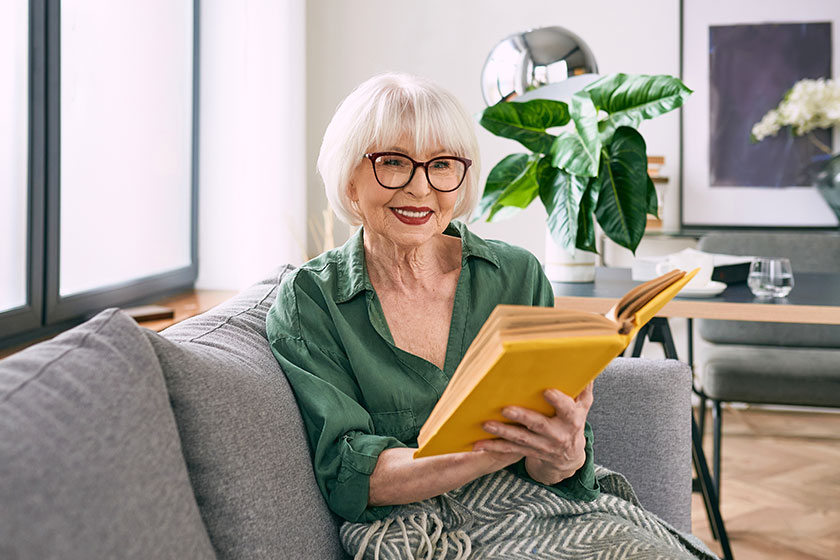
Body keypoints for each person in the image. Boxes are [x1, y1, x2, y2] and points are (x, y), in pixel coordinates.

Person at [266, 73, 717, 559]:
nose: (421, 188)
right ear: (348, 175)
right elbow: (351, 475)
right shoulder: (311, 299)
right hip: (412, 523)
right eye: (393, 163)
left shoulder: (516, 275)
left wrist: (564, 454)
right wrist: (486, 453)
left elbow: (551, 469)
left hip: (538, 506)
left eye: (442, 165)